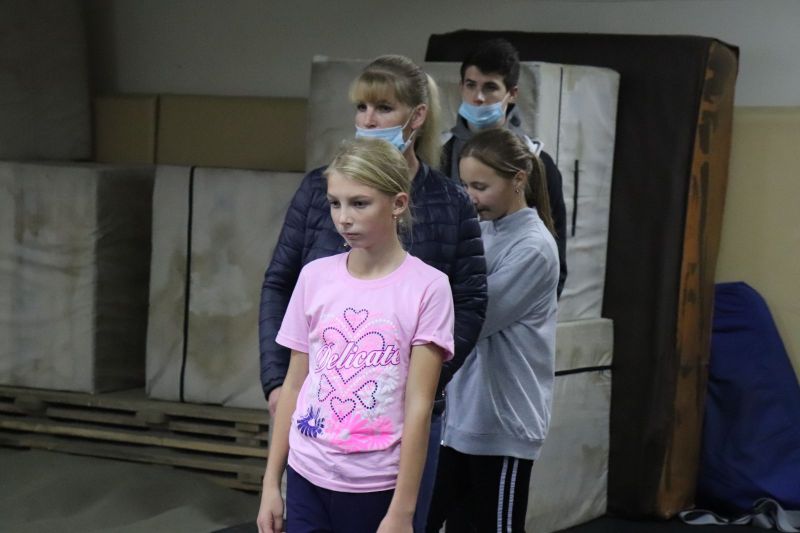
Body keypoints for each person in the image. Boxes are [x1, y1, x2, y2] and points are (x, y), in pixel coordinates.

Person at [259, 55, 487, 531]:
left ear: (416, 116)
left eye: (382, 108)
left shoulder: (449, 206)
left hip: (393, 431)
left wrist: (413, 376)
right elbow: (282, 284)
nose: (368, 120)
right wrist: (278, 381)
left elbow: (468, 300)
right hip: (316, 438)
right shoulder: (318, 217)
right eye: (361, 107)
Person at [427, 128, 559, 532]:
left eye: (481, 187)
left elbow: (471, 320)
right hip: (459, 420)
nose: (470, 196)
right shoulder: (482, 231)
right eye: (465, 185)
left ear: (518, 180)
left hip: (502, 426)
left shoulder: (534, 248)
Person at [441, 38, 568, 297]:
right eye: (471, 85)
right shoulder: (438, 156)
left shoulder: (537, 163)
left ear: (512, 93)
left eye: (490, 87)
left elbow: (555, 259)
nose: (478, 98)